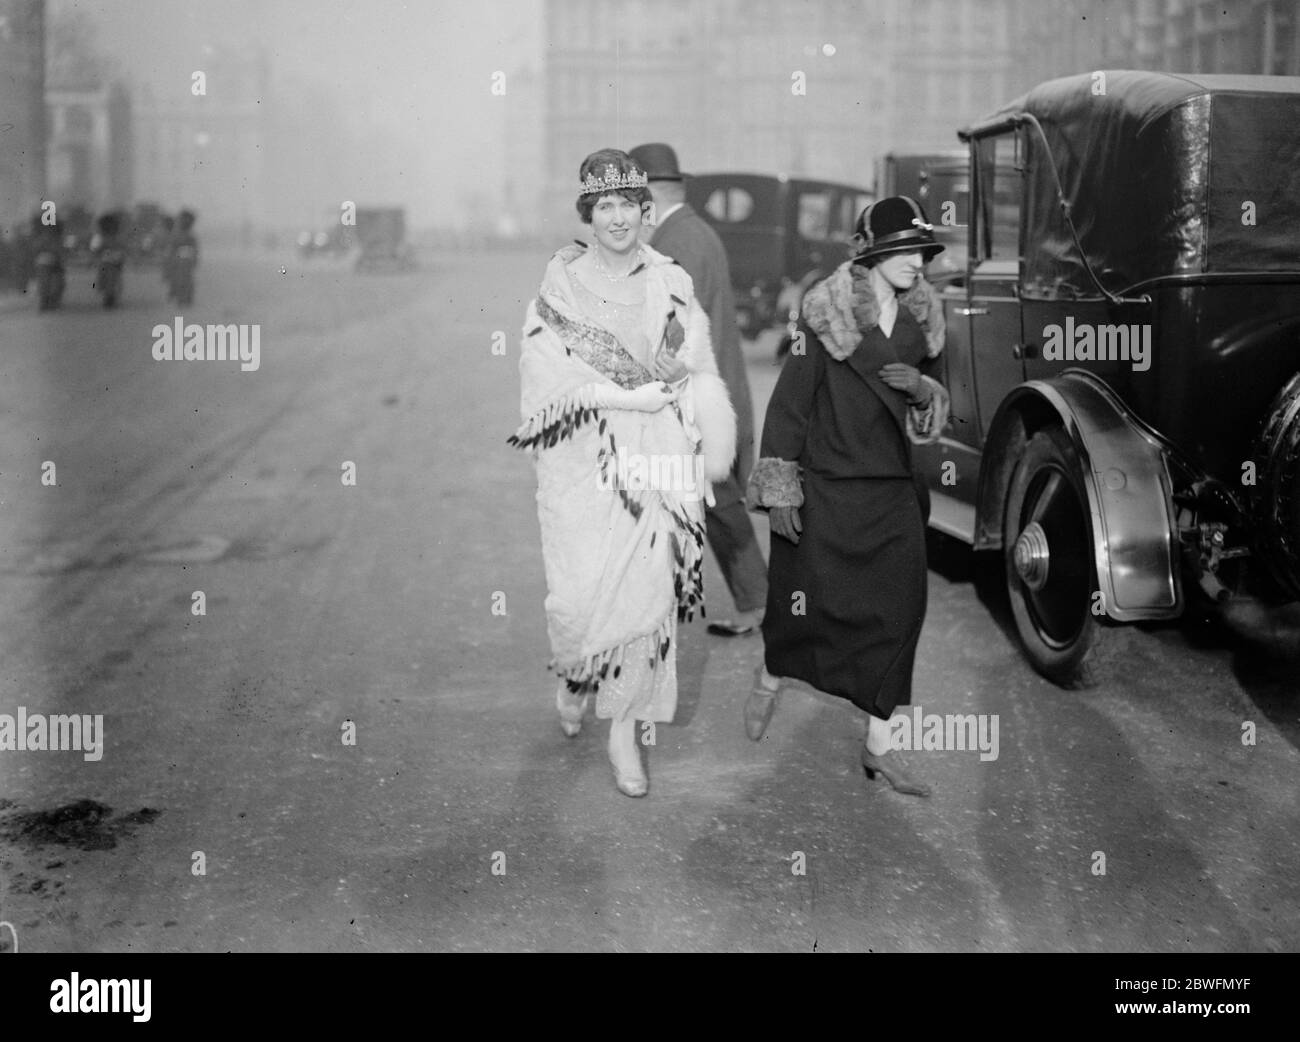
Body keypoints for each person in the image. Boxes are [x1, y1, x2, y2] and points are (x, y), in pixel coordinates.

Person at [509, 148, 736, 797]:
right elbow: (543, 384)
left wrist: (679, 378)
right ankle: (575, 674)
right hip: (580, 462)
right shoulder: (562, 288)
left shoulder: (672, 283)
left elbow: (697, 363)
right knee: (580, 602)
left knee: (647, 599)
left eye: (628, 206)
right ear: (590, 212)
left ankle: (625, 734)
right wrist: (620, 395)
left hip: (653, 460)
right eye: (604, 205)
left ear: (646, 210)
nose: (617, 218)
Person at [745, 196, 950, 796]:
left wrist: (922, 390)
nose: (918, 262)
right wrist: (782, 488)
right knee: (805, 606)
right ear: (875, 253)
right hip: (829, 487)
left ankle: (880, 748)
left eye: (922, 251)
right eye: (906, 250)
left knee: (899, 613)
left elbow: (944, 408)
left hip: (893, 491)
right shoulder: (823, 317)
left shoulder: (925, 321)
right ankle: (770, 673)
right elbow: (790, 405)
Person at [629, 143, 768, 644]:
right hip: (713, 389)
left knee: (704, 499)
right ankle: (758, 602)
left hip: (691, 394)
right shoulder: (694, 231)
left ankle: (753, 603)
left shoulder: (676, 242)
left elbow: (671, 329)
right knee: (718, 499)